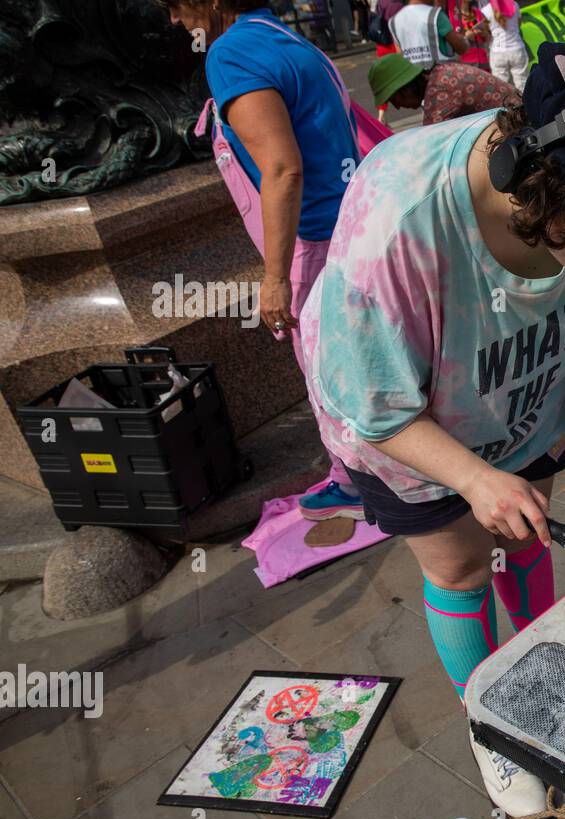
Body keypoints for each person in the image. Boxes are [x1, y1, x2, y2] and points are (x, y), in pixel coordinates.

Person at [297, 44, 565, 818]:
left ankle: (541, 667)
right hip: (400, 420)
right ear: (538, 183)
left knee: (525, 537)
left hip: (521, 391)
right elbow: (374, 400)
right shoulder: (401, 213)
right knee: (458, 566)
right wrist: (475, 478)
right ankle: (493, 724)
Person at [160, 0, 366, 521]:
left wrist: (275, 278)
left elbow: (281, 168)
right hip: (349, 223)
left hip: (313, 242)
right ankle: (376, 476)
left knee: (330, 374)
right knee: (360, 363)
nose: (173, 21)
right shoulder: (284, 38)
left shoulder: (231, 53)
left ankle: (359, 482)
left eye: (174, 5)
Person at [368, 47, 518, 124]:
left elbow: (431, 143)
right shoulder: (439, 74)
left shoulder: (439, 92)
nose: (398, 108)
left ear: (403, 90)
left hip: (520, 123)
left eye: (394, 101)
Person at [390, 0, 470, 67]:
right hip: (438, 77)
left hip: (413, 80)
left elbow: (400, 55)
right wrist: (465, 39)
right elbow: (462, 48)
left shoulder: (393, 20)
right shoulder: (436, 14)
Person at [481, 0, 530, 90]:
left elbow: (485, 33)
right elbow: (518, 25)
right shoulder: (515, 5)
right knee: (523, 84)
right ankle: (526, 103)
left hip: (497, 52)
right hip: (517, 49)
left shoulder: (486, 10)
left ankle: (505, 104)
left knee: (500, 87)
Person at [451, 0, 491, 71]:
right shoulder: (453, 16)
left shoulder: (479, 12)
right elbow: (452, 42)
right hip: (465, 64)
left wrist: (484, 33)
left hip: (483, 62)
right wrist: (466, 36)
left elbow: (489, 35)